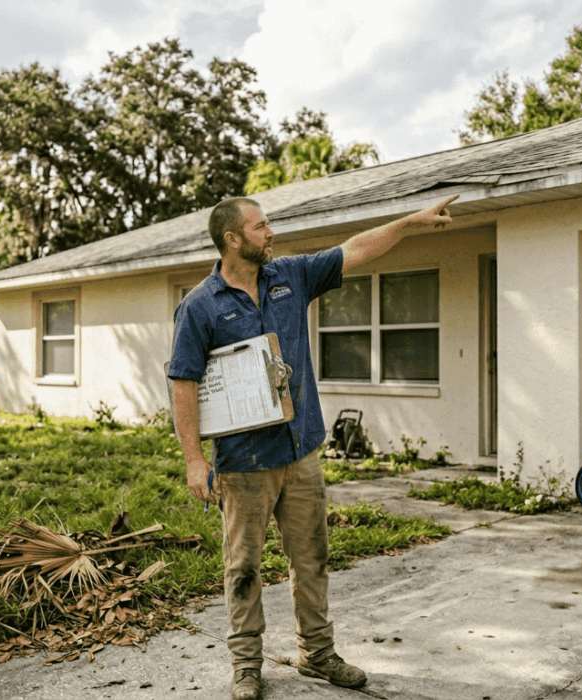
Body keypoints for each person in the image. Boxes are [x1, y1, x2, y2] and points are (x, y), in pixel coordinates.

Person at [168, 194, 458, 700]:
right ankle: (247, 666)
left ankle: (317, 654)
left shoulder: (290, 276)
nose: (271, 233)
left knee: (312, 559)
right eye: (260, 227)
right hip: (244, 463)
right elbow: (183, 383)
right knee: (243, 567)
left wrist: (411, 222)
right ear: (232, 239)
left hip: (300, 451)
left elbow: (357, 249)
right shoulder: (199, 306)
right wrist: (194, 459)